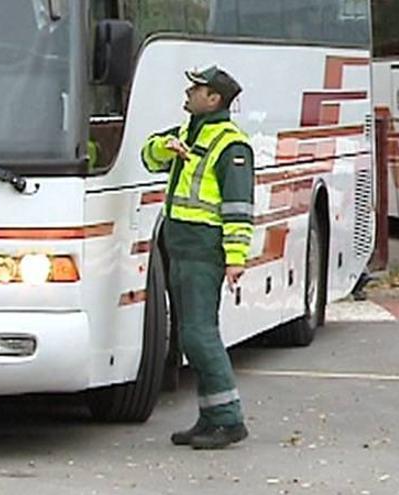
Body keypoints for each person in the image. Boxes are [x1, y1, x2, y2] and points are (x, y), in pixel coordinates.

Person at [141, 66, 253, 450]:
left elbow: (239, 208)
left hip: (204, 247)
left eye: (197, 88)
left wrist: (236, 258)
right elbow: (148, 155)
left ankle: (228, 418)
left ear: (214, 99)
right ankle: (209, 417)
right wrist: (163, 148)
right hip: (181, 244)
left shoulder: (231, 144)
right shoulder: (188, 132)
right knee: (192, 333)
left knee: (199, 334)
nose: (188, 91)